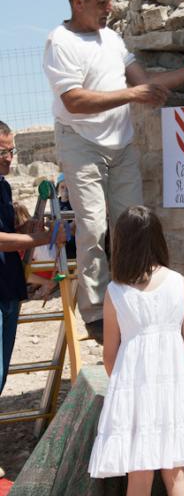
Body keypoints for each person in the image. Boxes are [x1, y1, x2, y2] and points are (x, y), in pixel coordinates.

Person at [44, 0, 184, 344]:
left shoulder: (112, 38)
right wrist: (133, 96)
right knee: (93, 227)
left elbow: (143, 81)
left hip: (120, 143)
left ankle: (133, 295)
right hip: (80, 142)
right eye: (102, 1)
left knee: (132, 224)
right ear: (77, 1)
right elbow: (74, 100)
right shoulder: (60, 41)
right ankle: (97, 314)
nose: (110, 7)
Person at [88, 206, 184, 495]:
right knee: (176, 473)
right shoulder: (180, 284)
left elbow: (110, 354)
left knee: (139, 473)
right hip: (175, 385)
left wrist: (123, 382)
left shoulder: (115, 291)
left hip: (134, 388)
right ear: (158, 239)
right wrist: (180, 377)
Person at [0, 121, 65, 395]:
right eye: (4, 152)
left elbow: (8, 232)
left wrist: (32, 229)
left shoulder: (3, 187)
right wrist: (42, 238)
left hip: (9, 287)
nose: (10, 157)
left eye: (11, 150)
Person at [13, 201, 58, 300]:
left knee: (17, 268)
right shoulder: (36, 231)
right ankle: (37, 284)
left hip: (45, 270)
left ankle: (39, 284)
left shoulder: (23, 236)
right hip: (50, 267)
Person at [56, 172, 77, 260]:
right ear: (58, 189)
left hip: (74, 241)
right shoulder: (56, 204)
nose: (65, 190)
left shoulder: (75, 203)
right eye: (62, 187)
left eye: (68, 187)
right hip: (61, 241)